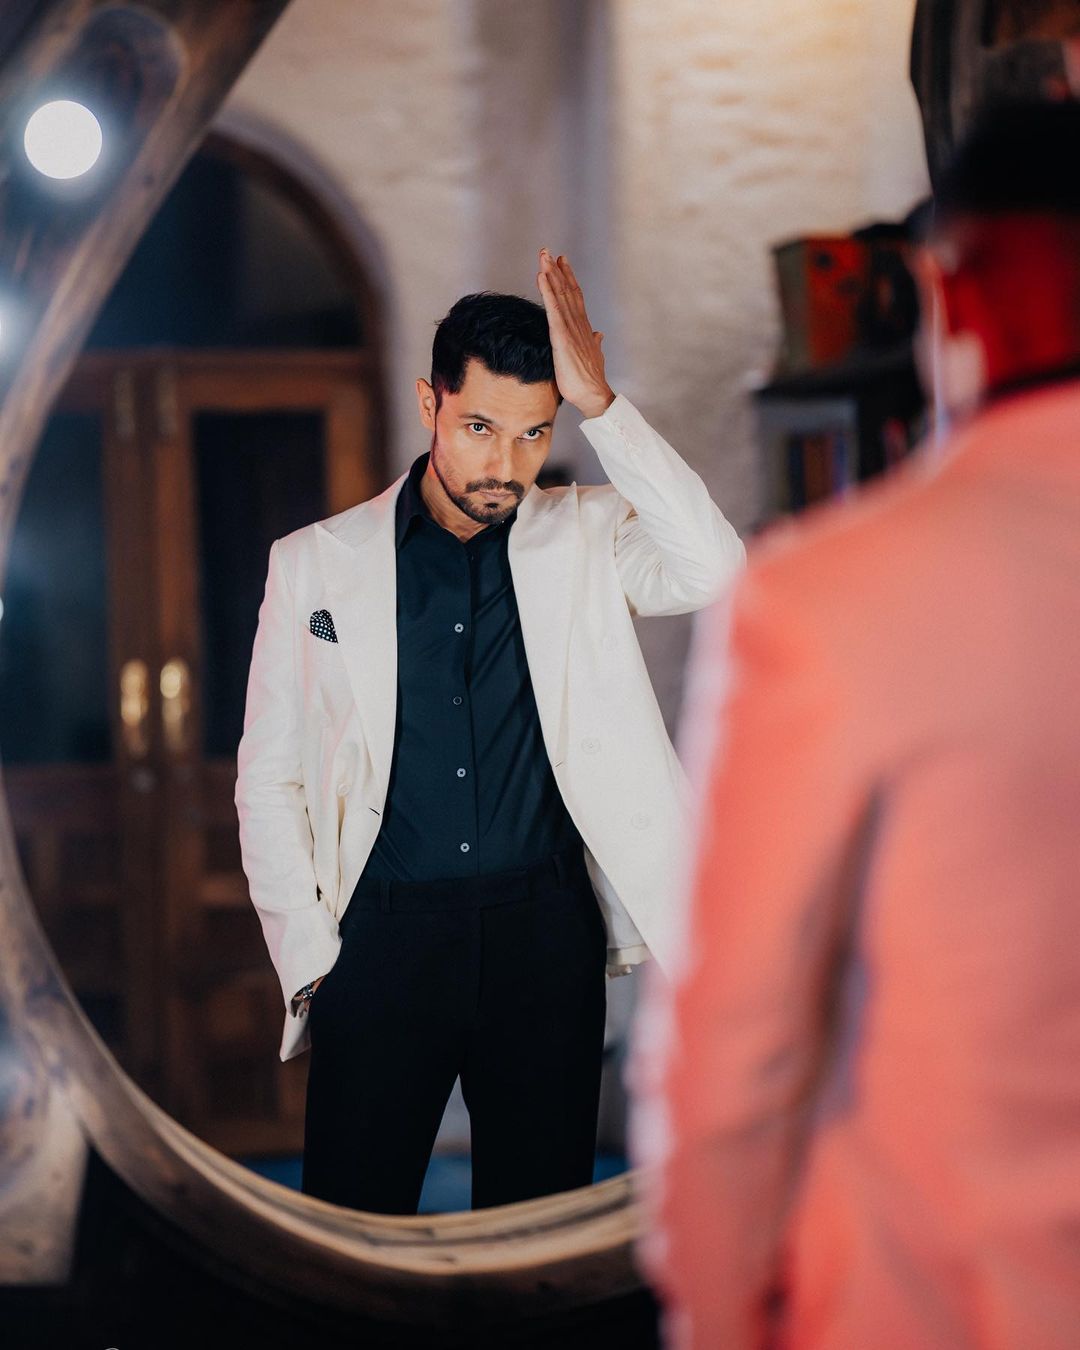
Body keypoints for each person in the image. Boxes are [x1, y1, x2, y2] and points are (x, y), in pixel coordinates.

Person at [629, 98, 1080, 1349]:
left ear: (953, 297)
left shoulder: (829, 597)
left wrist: (719, 1314)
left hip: (934, 1302)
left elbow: (736, 1045)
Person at [234, 247, 745, 1214]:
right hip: (380, 945)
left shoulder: (587, 536)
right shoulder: (312, 565)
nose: (505, 465)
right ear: (430, 403)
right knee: (355, 1232)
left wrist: (603, 407)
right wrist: (312, 963)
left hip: (543, 939)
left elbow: (714, 569)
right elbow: (269, 777)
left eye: (533, 433)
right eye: (479, 428)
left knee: (537, 1236)